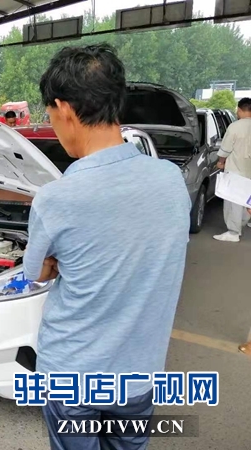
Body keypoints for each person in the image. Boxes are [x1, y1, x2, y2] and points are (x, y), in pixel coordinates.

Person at [23, 44, 191, 450]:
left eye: (50, 116)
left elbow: (35, 273)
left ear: (63, 109)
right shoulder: (171, 180)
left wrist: (59, 262)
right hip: (140, 374)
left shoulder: (57, 198)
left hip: (73, 374)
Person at [213, 98, 251, 242]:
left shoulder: (235, 127)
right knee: (247, 199)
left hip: (236, 169)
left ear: (240, 110)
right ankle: (241, 224)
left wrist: (220, 162)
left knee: (233, 200)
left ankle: (233, 233)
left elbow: (225, 149)